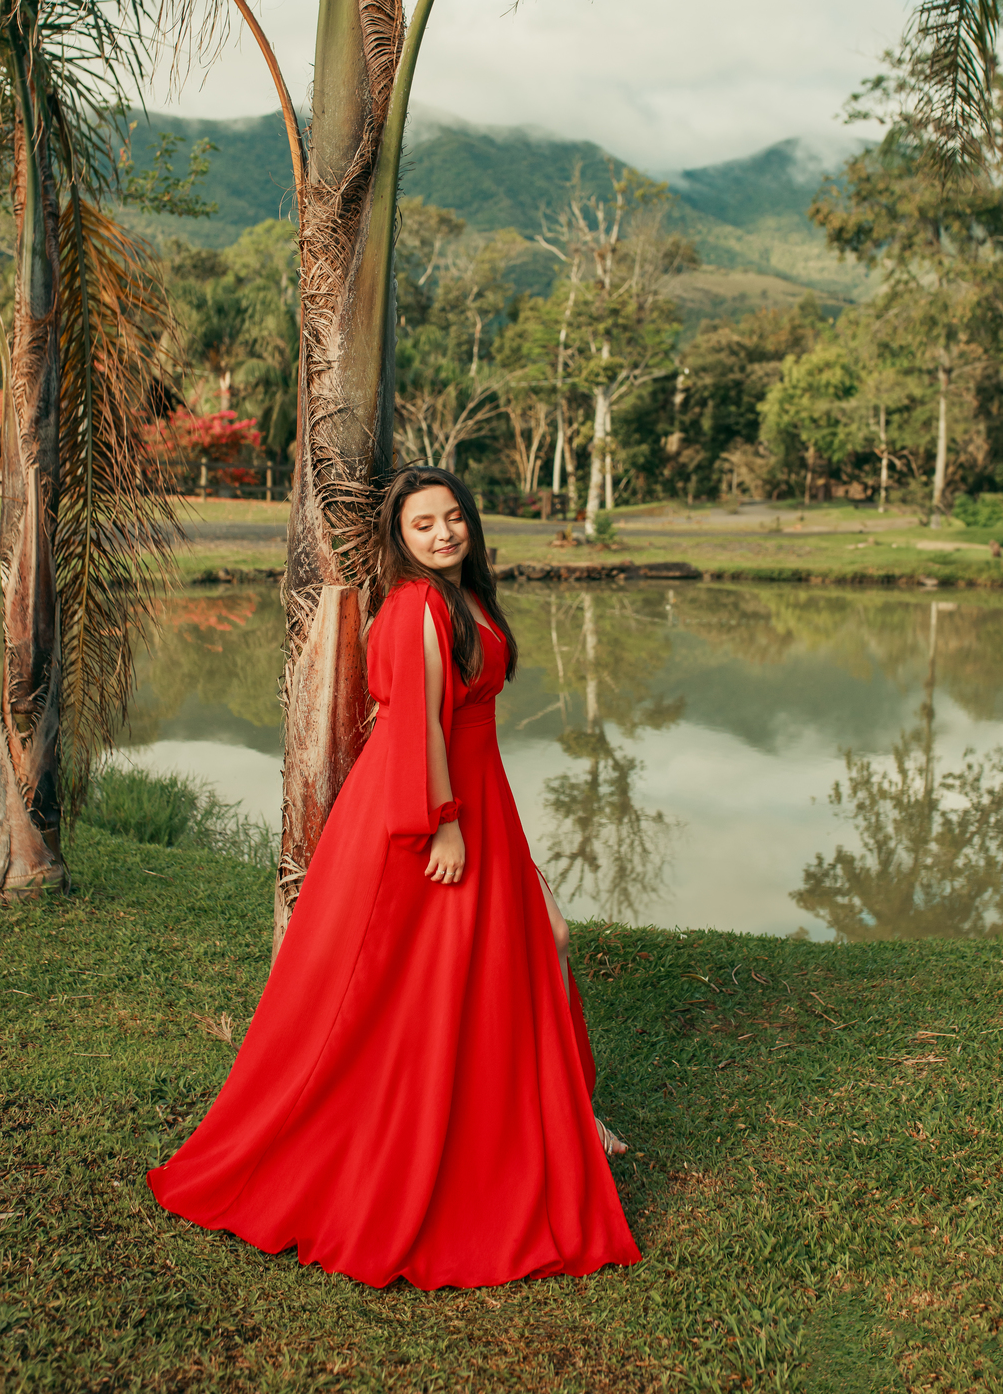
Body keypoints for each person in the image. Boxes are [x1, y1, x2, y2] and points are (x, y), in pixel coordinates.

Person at [147, 465, 641, 1289]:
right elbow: (416, 717)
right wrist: (440, 821)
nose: (444, 533)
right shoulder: (414, 605)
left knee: (537, 939)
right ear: (399, 539)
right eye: (424, 525)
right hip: (428, 805)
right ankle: (466, 1136)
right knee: (421, 981)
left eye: (454, 518)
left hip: (479, 794)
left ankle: (563, 1115)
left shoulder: (464, 597)